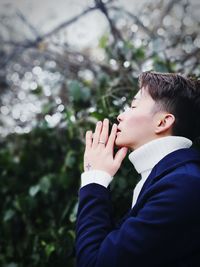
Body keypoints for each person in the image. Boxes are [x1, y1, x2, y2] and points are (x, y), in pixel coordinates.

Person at [75, 71, 200, 267]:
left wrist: (95, 179)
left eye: (133, 106)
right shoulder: (165, 177)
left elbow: (96, 262)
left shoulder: (183, 186)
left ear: (162, 122)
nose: (120, 116)